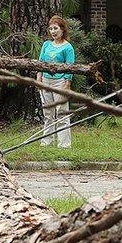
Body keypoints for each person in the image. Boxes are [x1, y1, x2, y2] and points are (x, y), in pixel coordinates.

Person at [37, 15, 75, 148]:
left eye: (56, 28)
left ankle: (64, 144)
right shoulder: (46, 45)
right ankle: (46, 142)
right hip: (46, 81)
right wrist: (39, 80)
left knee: (61, 113)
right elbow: (40, 63)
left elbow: (70, 67)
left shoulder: (68, 47)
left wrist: (67, 83)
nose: (53, 31)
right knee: (48, 113)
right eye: (51, 29)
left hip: (60, 82)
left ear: (62, 29)